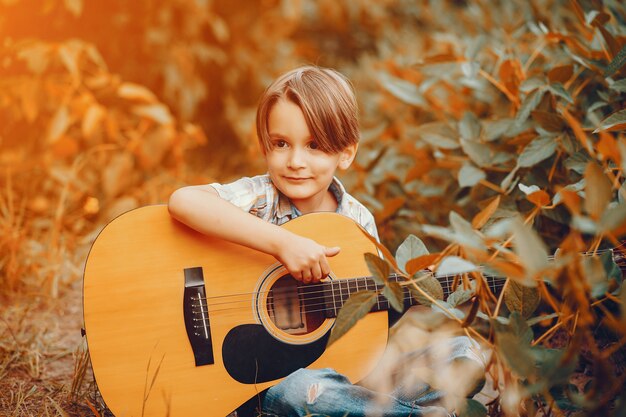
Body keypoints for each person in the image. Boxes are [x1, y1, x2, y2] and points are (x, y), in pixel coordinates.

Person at [168, 66, 484, 417]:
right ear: (265, 146)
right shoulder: (262, 197)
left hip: (325, 374)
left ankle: (372, 409)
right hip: (261, 388)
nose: (295, 161)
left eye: (315, 145)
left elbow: (358, 340)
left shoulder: (356, 223)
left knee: (463, 354)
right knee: (303, 391)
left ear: (345, 153)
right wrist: (281, 243)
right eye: (281, 144)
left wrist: (411, 297)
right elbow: (184, 201)